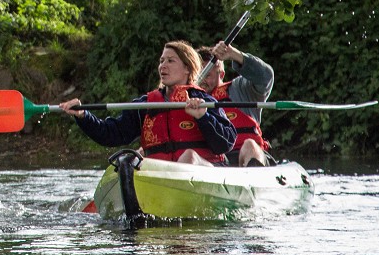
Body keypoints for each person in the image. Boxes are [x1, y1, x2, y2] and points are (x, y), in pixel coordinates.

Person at [58, 41, 235, 165]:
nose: (162, 66)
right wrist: (83, 115)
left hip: (204, 172)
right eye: (161, 61)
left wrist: (203, 117)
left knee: (189, 156)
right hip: (162, 177)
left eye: (170, 61)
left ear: (187, 68)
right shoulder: (146, 105)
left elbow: (225, 144)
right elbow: (111, 134)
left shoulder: (206, 101)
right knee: (128, 161)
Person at [197, 40, 275, 167]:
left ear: (221, 74)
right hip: (216, 163)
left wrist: (234, 54)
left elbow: (265, 78)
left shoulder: (240, 89)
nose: (201, 80)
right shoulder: (189, 98)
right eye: (198, 74)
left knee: (249, 144)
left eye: (207, 74)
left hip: (248, 155)